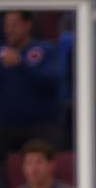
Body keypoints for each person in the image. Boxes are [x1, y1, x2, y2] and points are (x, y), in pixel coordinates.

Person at [0, 11, 63, 160]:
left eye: (14, 24)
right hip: (6, 127)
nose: (9, 29)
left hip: (41, 126)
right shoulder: (2, 53)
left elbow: (52, 81)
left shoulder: (45, 50)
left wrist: (21, 63)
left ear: (27, 25)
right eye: (6, 25)